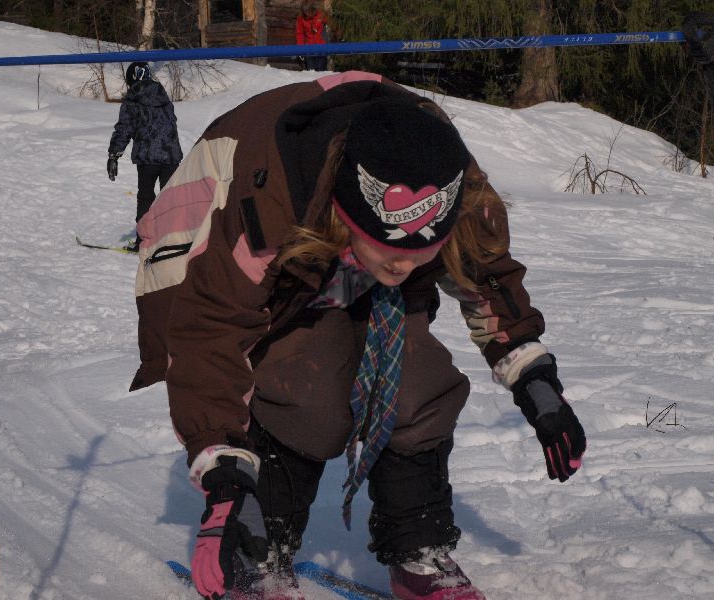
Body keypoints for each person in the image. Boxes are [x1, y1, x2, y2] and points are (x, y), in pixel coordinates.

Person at [133, 71, 587, 600]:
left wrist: (534, 379)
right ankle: (257, 546)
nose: (404, 264)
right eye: (390, 250)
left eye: (420, 252)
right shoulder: (271, 201)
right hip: (206, 257)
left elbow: (486, 275)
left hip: (335, 249)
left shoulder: (447, 178)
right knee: (305, 388)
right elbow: (210, 330)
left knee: (418, 384)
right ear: (347, 217)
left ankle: (418, 550)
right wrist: (225, 476)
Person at [107, 61, 183, 251]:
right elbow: (170, 125)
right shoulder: (163, 97)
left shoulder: (132, 100)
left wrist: (114, 155)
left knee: (146, 198)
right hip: (171, 156)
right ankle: (172, 239)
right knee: (169, 199)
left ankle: (144, 241)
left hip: (148, 157)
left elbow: (124, 129)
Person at [295, 0, 328, 71]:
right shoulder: (301, 19)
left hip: (321, 48)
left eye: (308, 11)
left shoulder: (320, 15)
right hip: (309, 49)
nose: (307, 14)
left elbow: (329, 22)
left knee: (321, 71)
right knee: (310, 71)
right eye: (305, 12)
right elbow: (300, 34)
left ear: (313, 9)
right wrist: (300, 49)